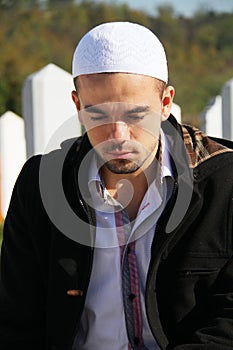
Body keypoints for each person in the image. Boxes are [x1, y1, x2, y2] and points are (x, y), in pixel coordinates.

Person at [0, 21, 233, 350]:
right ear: (78, 106)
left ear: (166, 102)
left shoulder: (224, 181)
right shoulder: (40, 186)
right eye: (98, 115)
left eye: (136, 115)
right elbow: (17, 323)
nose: (118, 136)